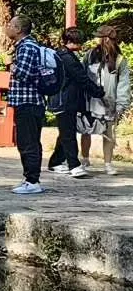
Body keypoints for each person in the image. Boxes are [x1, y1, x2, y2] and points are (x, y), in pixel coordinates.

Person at [49, 27, 103, 179]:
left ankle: (56, 162)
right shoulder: (67, 58)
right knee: (68, 133)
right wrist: (99, 93)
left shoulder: (62, 55)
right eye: (80, 41)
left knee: (66, 132)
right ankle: (74, 165)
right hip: (64, 100)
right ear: (72, 41)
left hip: (64, 100)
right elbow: (82, 79)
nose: (82, 44)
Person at [7, 15, 49, 196]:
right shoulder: (30, 46)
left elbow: (24, 73)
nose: (6, 27)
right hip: (30, 102)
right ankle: (30, 178)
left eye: (10, 25)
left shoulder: (26, 47)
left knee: (28, 142)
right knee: (28, 141)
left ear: (18, 29)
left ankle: (32, 181)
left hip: (28, 101)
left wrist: (10, 65)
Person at [81, 25, 130, 175]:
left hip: (109, 101)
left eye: (98, 36)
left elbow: (123, 84)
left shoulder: (120, 60)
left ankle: (108, 163)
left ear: (105, 39)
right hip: (90, 100)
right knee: (86, 130)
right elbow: (81, 75)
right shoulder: (90, 55)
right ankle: (84, 159)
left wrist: (121, 104)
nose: (95, 39)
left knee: (109, 132)